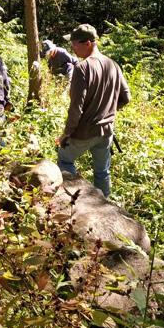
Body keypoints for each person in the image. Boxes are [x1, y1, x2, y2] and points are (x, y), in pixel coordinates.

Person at [57, 24, 131, 198]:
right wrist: (108, 111)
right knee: (102, 172)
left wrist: (66, 134)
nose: (71, 49)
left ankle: (75, 201)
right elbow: (126, 98)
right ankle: (105, 205)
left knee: (65, 160)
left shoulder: (83, 69)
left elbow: (76, 108)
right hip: (106, 132)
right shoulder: (113, 65)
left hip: (85, 132)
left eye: (74, 44)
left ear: (88, 43)